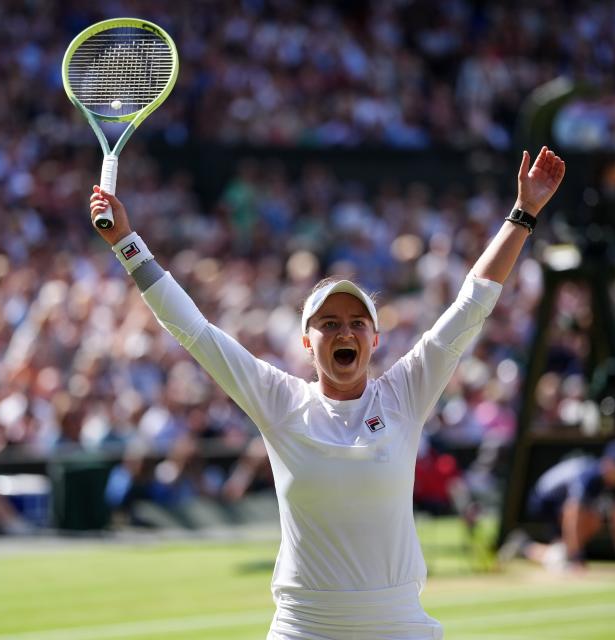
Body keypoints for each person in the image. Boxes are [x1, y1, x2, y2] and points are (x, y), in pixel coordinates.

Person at [88, 146, 565, 639]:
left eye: (358, 323)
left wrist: (523, 214)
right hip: (304, 628)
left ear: (375, 339)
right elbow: (194, 330)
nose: (345, 332)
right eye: (329, 323)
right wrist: (126, 240)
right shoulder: (280, 400)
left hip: (399, 626)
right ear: (306, 341)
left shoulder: (405, 392)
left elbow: (472, 304)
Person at [501, 439, 615, 573]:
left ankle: (525, 547)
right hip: (544, 501)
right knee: (590, 519)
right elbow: (572, 515)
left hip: (560, 505)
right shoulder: (588, 477)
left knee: (590, 525)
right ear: (609, 464)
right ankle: (563, 556)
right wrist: (576, 557)